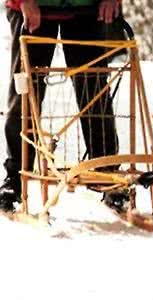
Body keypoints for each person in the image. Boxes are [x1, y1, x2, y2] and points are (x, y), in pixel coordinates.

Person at [0, 0, 129, 213]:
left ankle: (108, 173)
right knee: (25, 90)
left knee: (93, 88)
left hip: (86, 9)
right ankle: (15, 178)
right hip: (34, 6)